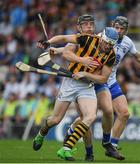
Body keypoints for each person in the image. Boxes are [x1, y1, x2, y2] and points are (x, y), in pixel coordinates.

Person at [63, 15, 140, 160]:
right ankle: (72, 131)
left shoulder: (127, 42)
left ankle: (111, 146)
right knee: (88, 117)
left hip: (110, 81)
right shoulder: (102, 37)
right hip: (93, 81)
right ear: (112, 25)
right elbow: (76, 44)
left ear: (126, 31)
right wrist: (56, 50)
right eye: (117, 27)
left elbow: (138, 56)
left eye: (122, 29)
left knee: (124, 113)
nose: (119, 31)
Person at [33, 26, 119, 161]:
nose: (107, 46)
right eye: (106, 42)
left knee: (90, 116)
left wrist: (86, 74)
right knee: (55, 120)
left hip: (87, 86)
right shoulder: (88, 39)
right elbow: (63, 38)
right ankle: (42, 132)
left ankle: (66, 148)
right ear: (101, 38)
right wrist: (49, 42)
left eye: (110, 44)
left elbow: (103, 79)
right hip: (70, 83)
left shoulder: (111, 55)